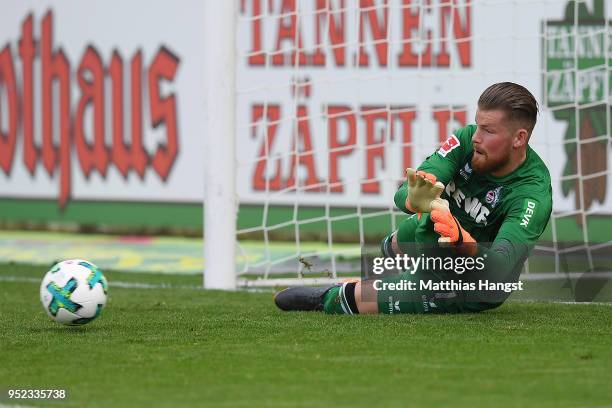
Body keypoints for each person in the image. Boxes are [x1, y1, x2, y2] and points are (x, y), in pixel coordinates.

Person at [275, 82, 552, 315]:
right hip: (432, 235)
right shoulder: (466, 140)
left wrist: (462, 243)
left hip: (473, 281)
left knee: (353, 301)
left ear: (519, 138)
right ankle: (396, 264)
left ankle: (327, 296)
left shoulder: (532, 195)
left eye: (489, 131)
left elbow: (498, 270)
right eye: (478, 125)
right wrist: (414, 199)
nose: (477, 137)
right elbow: (407, 192)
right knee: (403, 236)